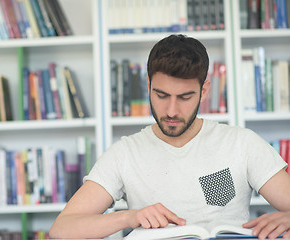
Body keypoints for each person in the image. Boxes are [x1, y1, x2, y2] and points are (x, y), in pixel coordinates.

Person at [49, 34, 290, 239]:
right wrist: (129, 217)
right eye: (162, 95)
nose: (172, 111)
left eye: (184, 97)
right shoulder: (124, 154)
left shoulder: (242, 143)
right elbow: (62, 229)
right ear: (148, 84)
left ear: (204, 91)